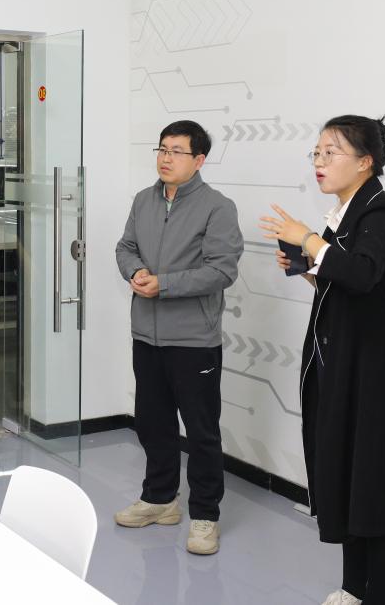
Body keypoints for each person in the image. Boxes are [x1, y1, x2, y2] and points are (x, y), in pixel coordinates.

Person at [260, 116, 385, 605]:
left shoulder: (382, 214)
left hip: (377, 375)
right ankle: (353, 591)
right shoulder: (349, 213)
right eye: (316, 152)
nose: (319, 162)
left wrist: (310, 241)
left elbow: (363, 272)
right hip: (346, 369)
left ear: (364, 162)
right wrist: (307, 268)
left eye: (330, 152)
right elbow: (350, 287)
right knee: (351, 482)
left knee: (380, 492)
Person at [114, 120, 243, 556]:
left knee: (201, 431)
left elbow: (221, 270)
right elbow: (125, 247)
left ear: (199, 160)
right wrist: (135, 271)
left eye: (176, 151)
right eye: (162, 149)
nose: (165, 158)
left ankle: (205, 515)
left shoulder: (217, 207)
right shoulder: (143, 200)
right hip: (146, 334)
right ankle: (160, 499)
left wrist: (164, 284)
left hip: (193, 339)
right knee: (153, 422)